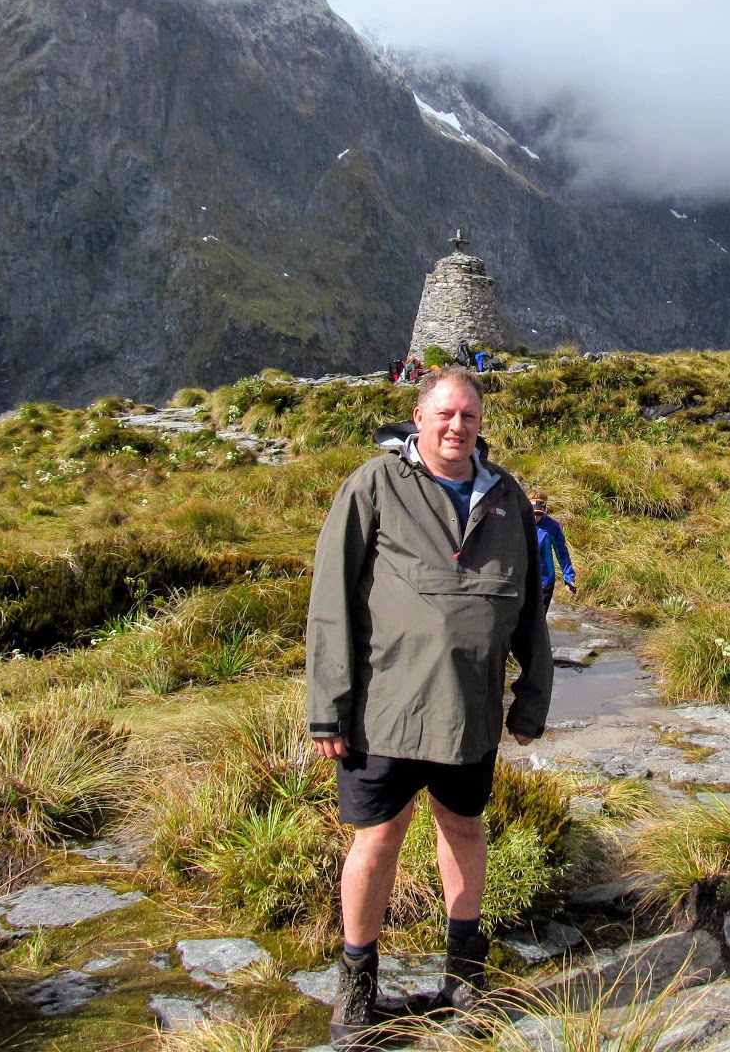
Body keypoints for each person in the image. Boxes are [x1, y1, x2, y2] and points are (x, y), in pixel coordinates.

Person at [306, 364, 552, 1047]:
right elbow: (329, 603)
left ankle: (462, 977)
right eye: (443, 414)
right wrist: (328, 705)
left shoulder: (505, 499)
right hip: (383, 711)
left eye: (468, 416)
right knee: (378, 838)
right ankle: (357, 990)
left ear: (480, 426)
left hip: (470, 715)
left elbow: (531, 609)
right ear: (418, 419)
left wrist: (531, 699)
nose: (455, 426)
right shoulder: (374, 486)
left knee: (464, 829)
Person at [527, 489, 577, 613]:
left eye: (538, 514)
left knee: (538, 623)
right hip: (521, 580)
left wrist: (568, 578)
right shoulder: (518, 523)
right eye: (531, 513)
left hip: (544, 582)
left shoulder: (552, 527)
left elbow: (562, 554)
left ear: (543, 511)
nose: (534, 517)